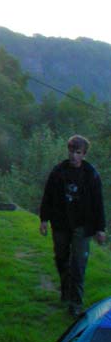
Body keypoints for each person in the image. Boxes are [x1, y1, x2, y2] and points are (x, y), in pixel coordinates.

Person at [39, 134, 106, 317]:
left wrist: (101, 229)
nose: (73, 156)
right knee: (61, 258)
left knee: (78, 263)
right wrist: (44, 219)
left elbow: (98, 203)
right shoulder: (58, 172)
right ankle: (66, 291)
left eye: (77, 152)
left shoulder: (91, 174)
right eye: (71, 151)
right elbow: (48, 197)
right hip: (60, 223)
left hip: (83, 225)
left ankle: (76, 303)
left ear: (83, 154)